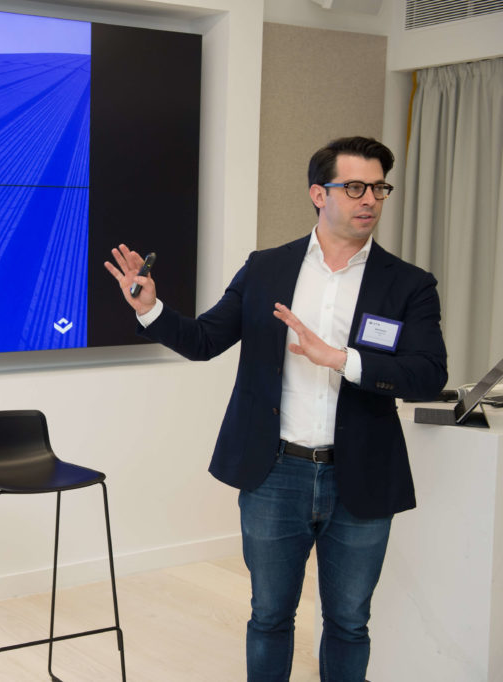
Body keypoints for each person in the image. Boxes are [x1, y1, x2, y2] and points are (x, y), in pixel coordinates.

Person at [105, 136, 447, 681]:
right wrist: (151, 310)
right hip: (274, 474)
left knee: (349, 622)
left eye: (379, 188)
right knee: (269, 617)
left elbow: (430, 374)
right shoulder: (266, 268)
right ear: (319, 193)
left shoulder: (408, 284)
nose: (370, 200)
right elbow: (203, 340)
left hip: (360, 475)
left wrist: (341, 359)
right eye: (354, 186)